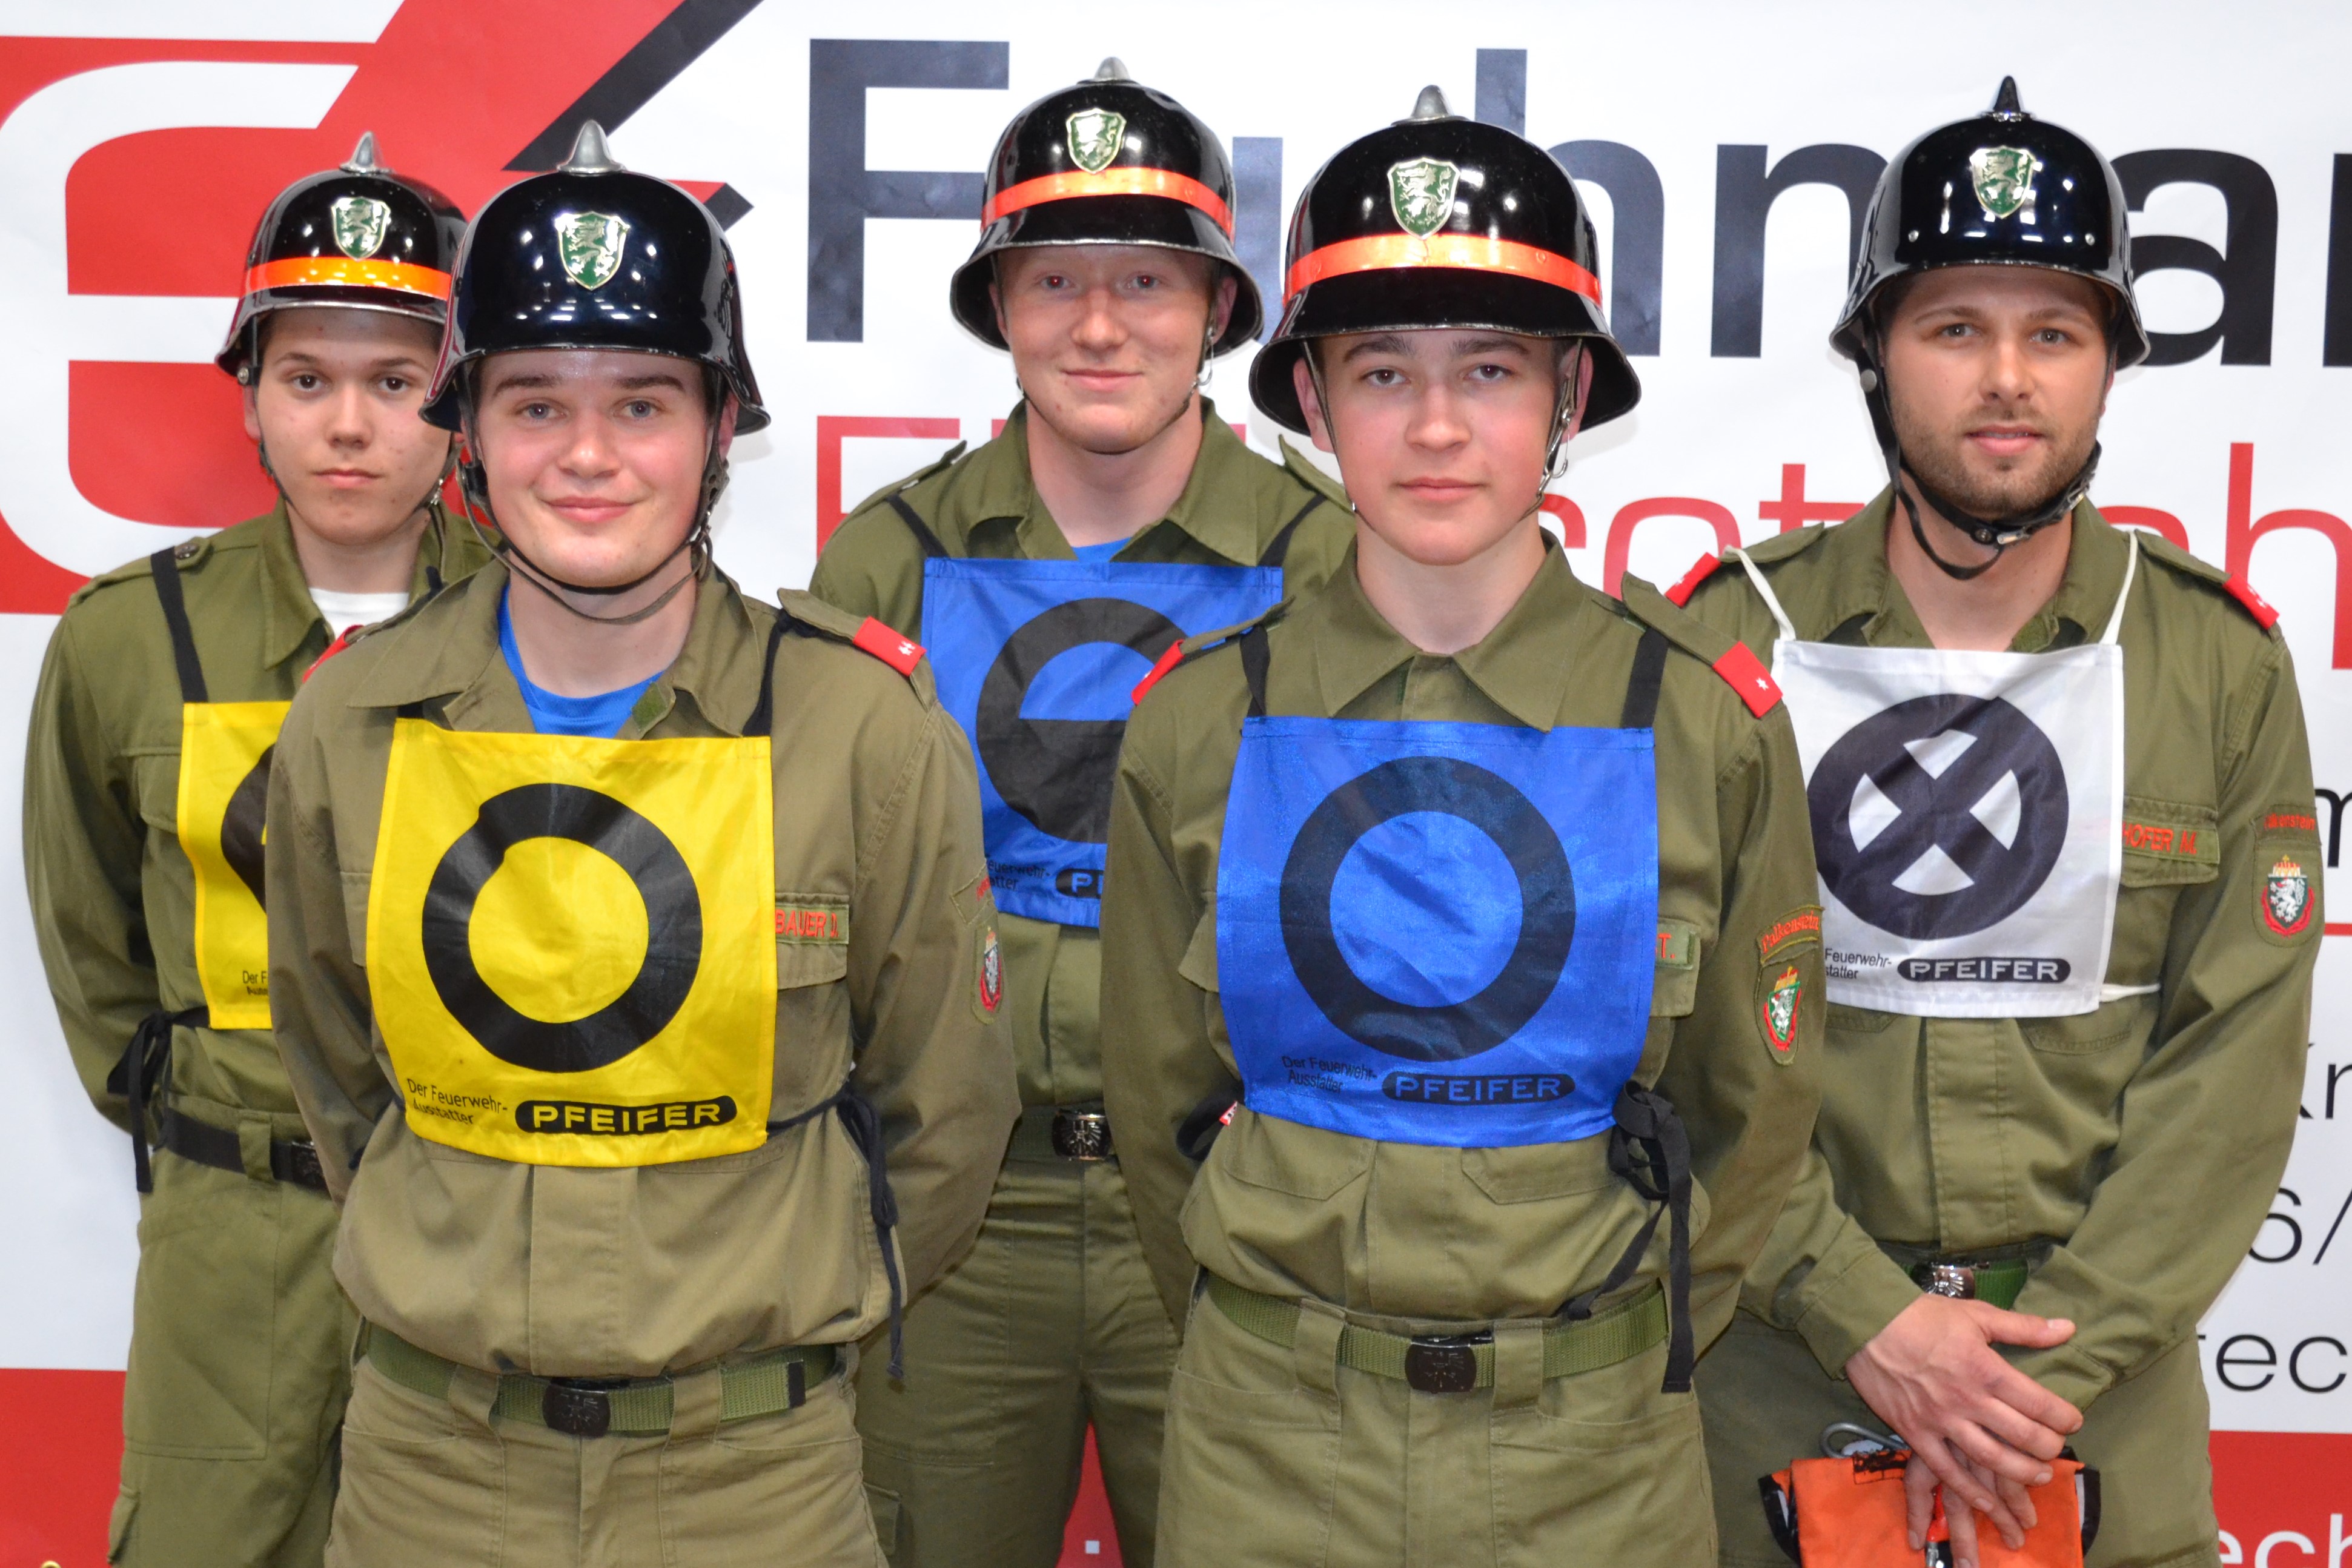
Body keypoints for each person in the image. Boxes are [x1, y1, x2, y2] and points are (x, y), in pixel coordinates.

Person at [263, 123, 1018, 1567]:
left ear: (721, 426)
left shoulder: (858, 726)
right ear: (468, 429)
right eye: (536, 402)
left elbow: (942, 1114)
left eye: (645, 403)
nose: (590, 456)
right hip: (430, 1475)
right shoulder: (350, 720)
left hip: (756, 1481)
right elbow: (338, 1070)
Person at [1096, 88, 1825, 1567]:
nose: (1434, 426)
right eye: (1382, 372)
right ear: (1312, 406)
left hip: (1595, 1462)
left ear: (1569, 396)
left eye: (1488, 369)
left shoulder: (1701, 722)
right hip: (1267, 1451)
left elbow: (1750, 1126)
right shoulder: (1199, 721)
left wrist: (1606, 1343)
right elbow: (1158, 1113)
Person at [1674, 81, 2320, 1568]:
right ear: (1875, 356)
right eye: (1954, 328)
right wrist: (1867, 1316)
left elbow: (2230, 1066)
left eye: (2055, 333)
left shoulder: (2215, 661)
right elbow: (1681, 1047)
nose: (2007, 379)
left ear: (2110, 366)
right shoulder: (1724, 642)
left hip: (2087, 1401)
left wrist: (2030, 1381)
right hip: (1777, 1376)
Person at [810, 58, 1348, 1568]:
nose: (1099, 325)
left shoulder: (1328, 565)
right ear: (1000, 304)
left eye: (1145, 280)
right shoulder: (886, 557)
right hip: (959, 1224)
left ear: (1219, 307)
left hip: (1238, 1214)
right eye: (1054, 280)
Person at [24, 133, 479, 1568]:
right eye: (306, 379)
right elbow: (91, 931)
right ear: (250, 398)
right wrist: (209, 1123)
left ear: (462, 401)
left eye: (396, 382)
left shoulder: (550, 628)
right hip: (231, 1235)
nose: (349, 425)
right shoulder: (129, 637)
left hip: (477, 1222)